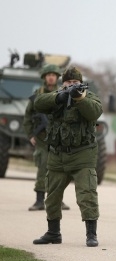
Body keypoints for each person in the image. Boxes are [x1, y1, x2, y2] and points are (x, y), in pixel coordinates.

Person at [32, 66, 103, 247]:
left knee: (87, 195)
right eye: (68, 83)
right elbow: (38, 103)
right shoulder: (56, 97)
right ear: (62, 84)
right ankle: (53, 233)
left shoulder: (90, 97)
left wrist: (79, 98)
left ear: (81, 83)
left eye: (75, 83)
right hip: (57, 156)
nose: (72, 85)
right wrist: (59, 97)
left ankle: (91, 234)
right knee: (52, 197)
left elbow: (94, 111)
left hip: (83, 155)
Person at [23, 64, 70, 211]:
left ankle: (57, 200)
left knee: (59, 171)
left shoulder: (63, 93)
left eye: (54, 75)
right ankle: (39, 201)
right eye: (48, 75)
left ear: (57, 77)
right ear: (44, 77)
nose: (51, 77)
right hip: (42, 139)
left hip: (58, 139)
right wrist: (31, 134)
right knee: (43, 168)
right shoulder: (38, 94)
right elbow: (27, 116)